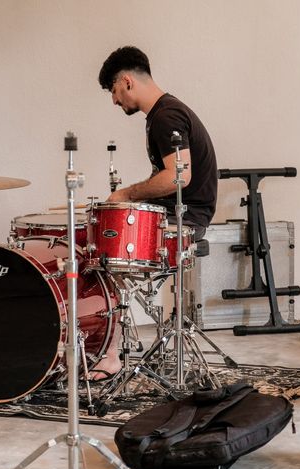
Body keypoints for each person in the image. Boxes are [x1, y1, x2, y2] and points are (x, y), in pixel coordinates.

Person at [89, 46, 218, 380]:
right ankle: (111, 346)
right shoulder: (166, 112)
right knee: (105, 249)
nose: (115, 101)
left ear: (127, 82)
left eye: (114, 91)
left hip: (186, 219)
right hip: (179, 213)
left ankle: (111, 353)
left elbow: (180, 176)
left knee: (106, 259)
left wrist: (126, 194)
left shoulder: (166, 117)